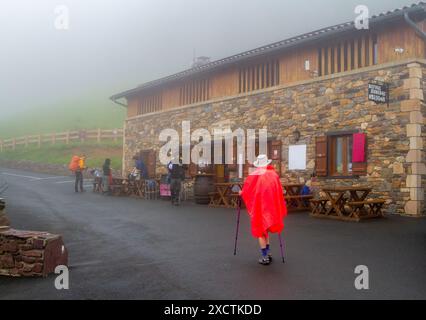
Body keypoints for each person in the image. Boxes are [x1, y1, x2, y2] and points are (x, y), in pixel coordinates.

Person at [240, 154, 287, 265]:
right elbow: (279, 190)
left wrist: (241, 193)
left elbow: (247, 189)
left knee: (260, 231)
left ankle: (265, 256)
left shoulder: (254, 175)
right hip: (271, 207)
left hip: (259, 207)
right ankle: (268, 253)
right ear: (267, 163)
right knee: (266, 228)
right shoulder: (273, 175)